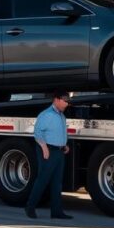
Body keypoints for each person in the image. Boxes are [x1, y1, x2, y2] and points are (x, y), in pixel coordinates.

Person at [25, 91, 73, 220]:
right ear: (56, 100)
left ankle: (56, 211)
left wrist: (64, 145)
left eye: (68, 101)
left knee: (57, 183)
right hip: (48, 151)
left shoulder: (62, 116)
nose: (67, 103)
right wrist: (44, 147)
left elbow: (59, 132)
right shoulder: (46, 115)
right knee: (42, 180)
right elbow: (37, 132)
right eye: (65, 100)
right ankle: (30, 207)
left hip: (59, 151)